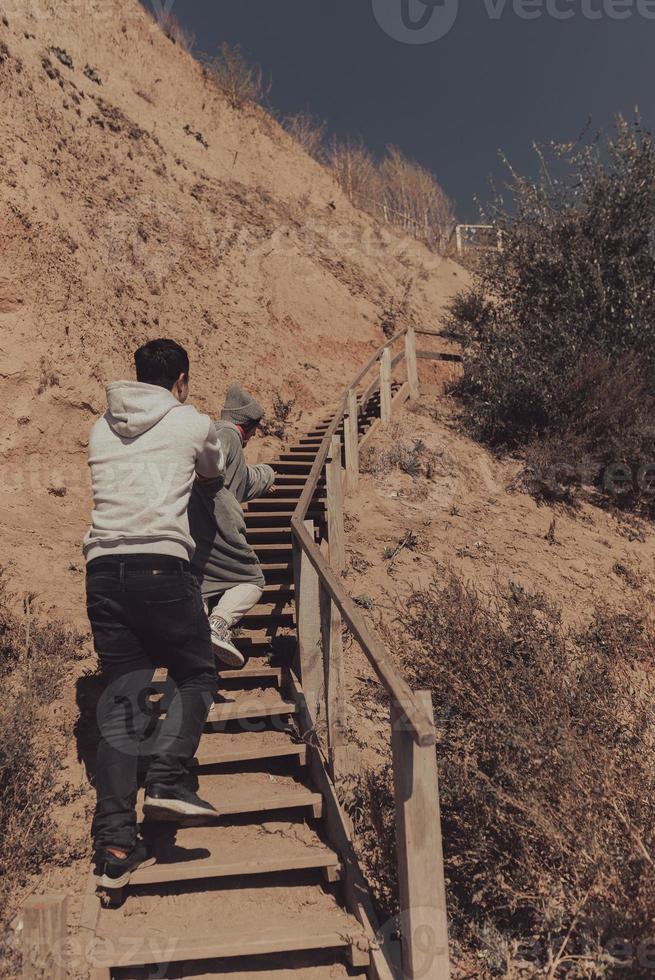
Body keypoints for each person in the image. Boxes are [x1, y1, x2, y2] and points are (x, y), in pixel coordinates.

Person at [84, 339, 224, 890]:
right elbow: (212, 471)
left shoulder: (100, 427)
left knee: (122, 703)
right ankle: (168, 778)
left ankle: (116, 843)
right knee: (196, 672)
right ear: (181, 381)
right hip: (160, 569)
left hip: (102, 572)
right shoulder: (191, 421)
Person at [189, 384, 275, 668]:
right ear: (248, 426)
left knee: (200, 588)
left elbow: (242, 481)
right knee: (253, 580)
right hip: (216, 528)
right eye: (255, 431)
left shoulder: (222, 438)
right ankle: (218, 623)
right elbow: (212, 471)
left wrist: (268, 475)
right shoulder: (225, 434)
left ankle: (198, 639)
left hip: (193, 530)